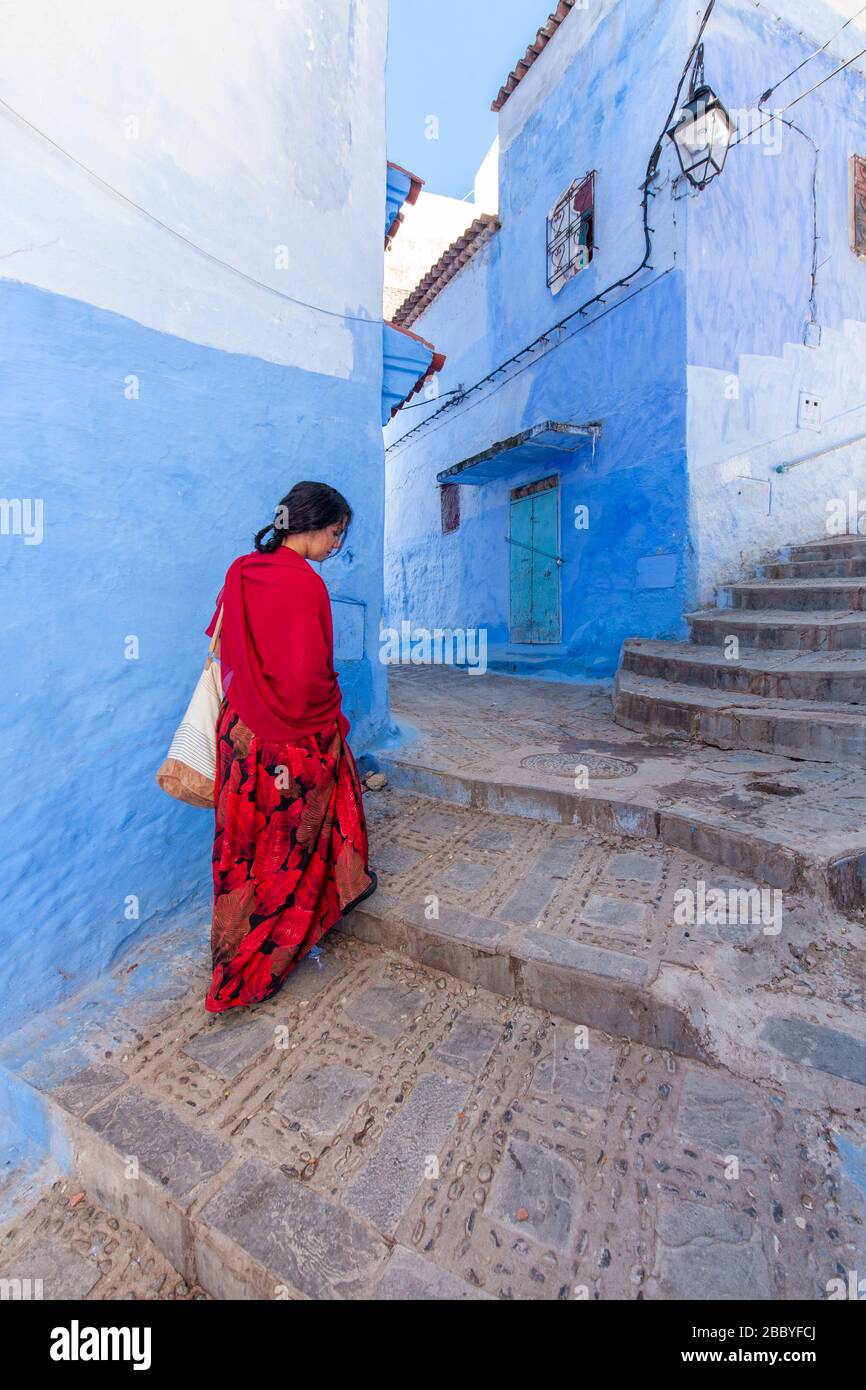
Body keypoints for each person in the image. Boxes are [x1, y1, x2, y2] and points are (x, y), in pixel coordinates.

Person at [203, 480, 376, 1013]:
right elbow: (307, 682)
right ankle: (266, 958)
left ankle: (231, 953)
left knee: (245, 845)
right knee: (288, 847)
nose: (336, 546)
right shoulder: (306, 585)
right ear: (315, 525)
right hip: (286, 745)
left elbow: (220, 639)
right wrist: (334, 719)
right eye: (336, 534)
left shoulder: (240, 569)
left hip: (239, 738)